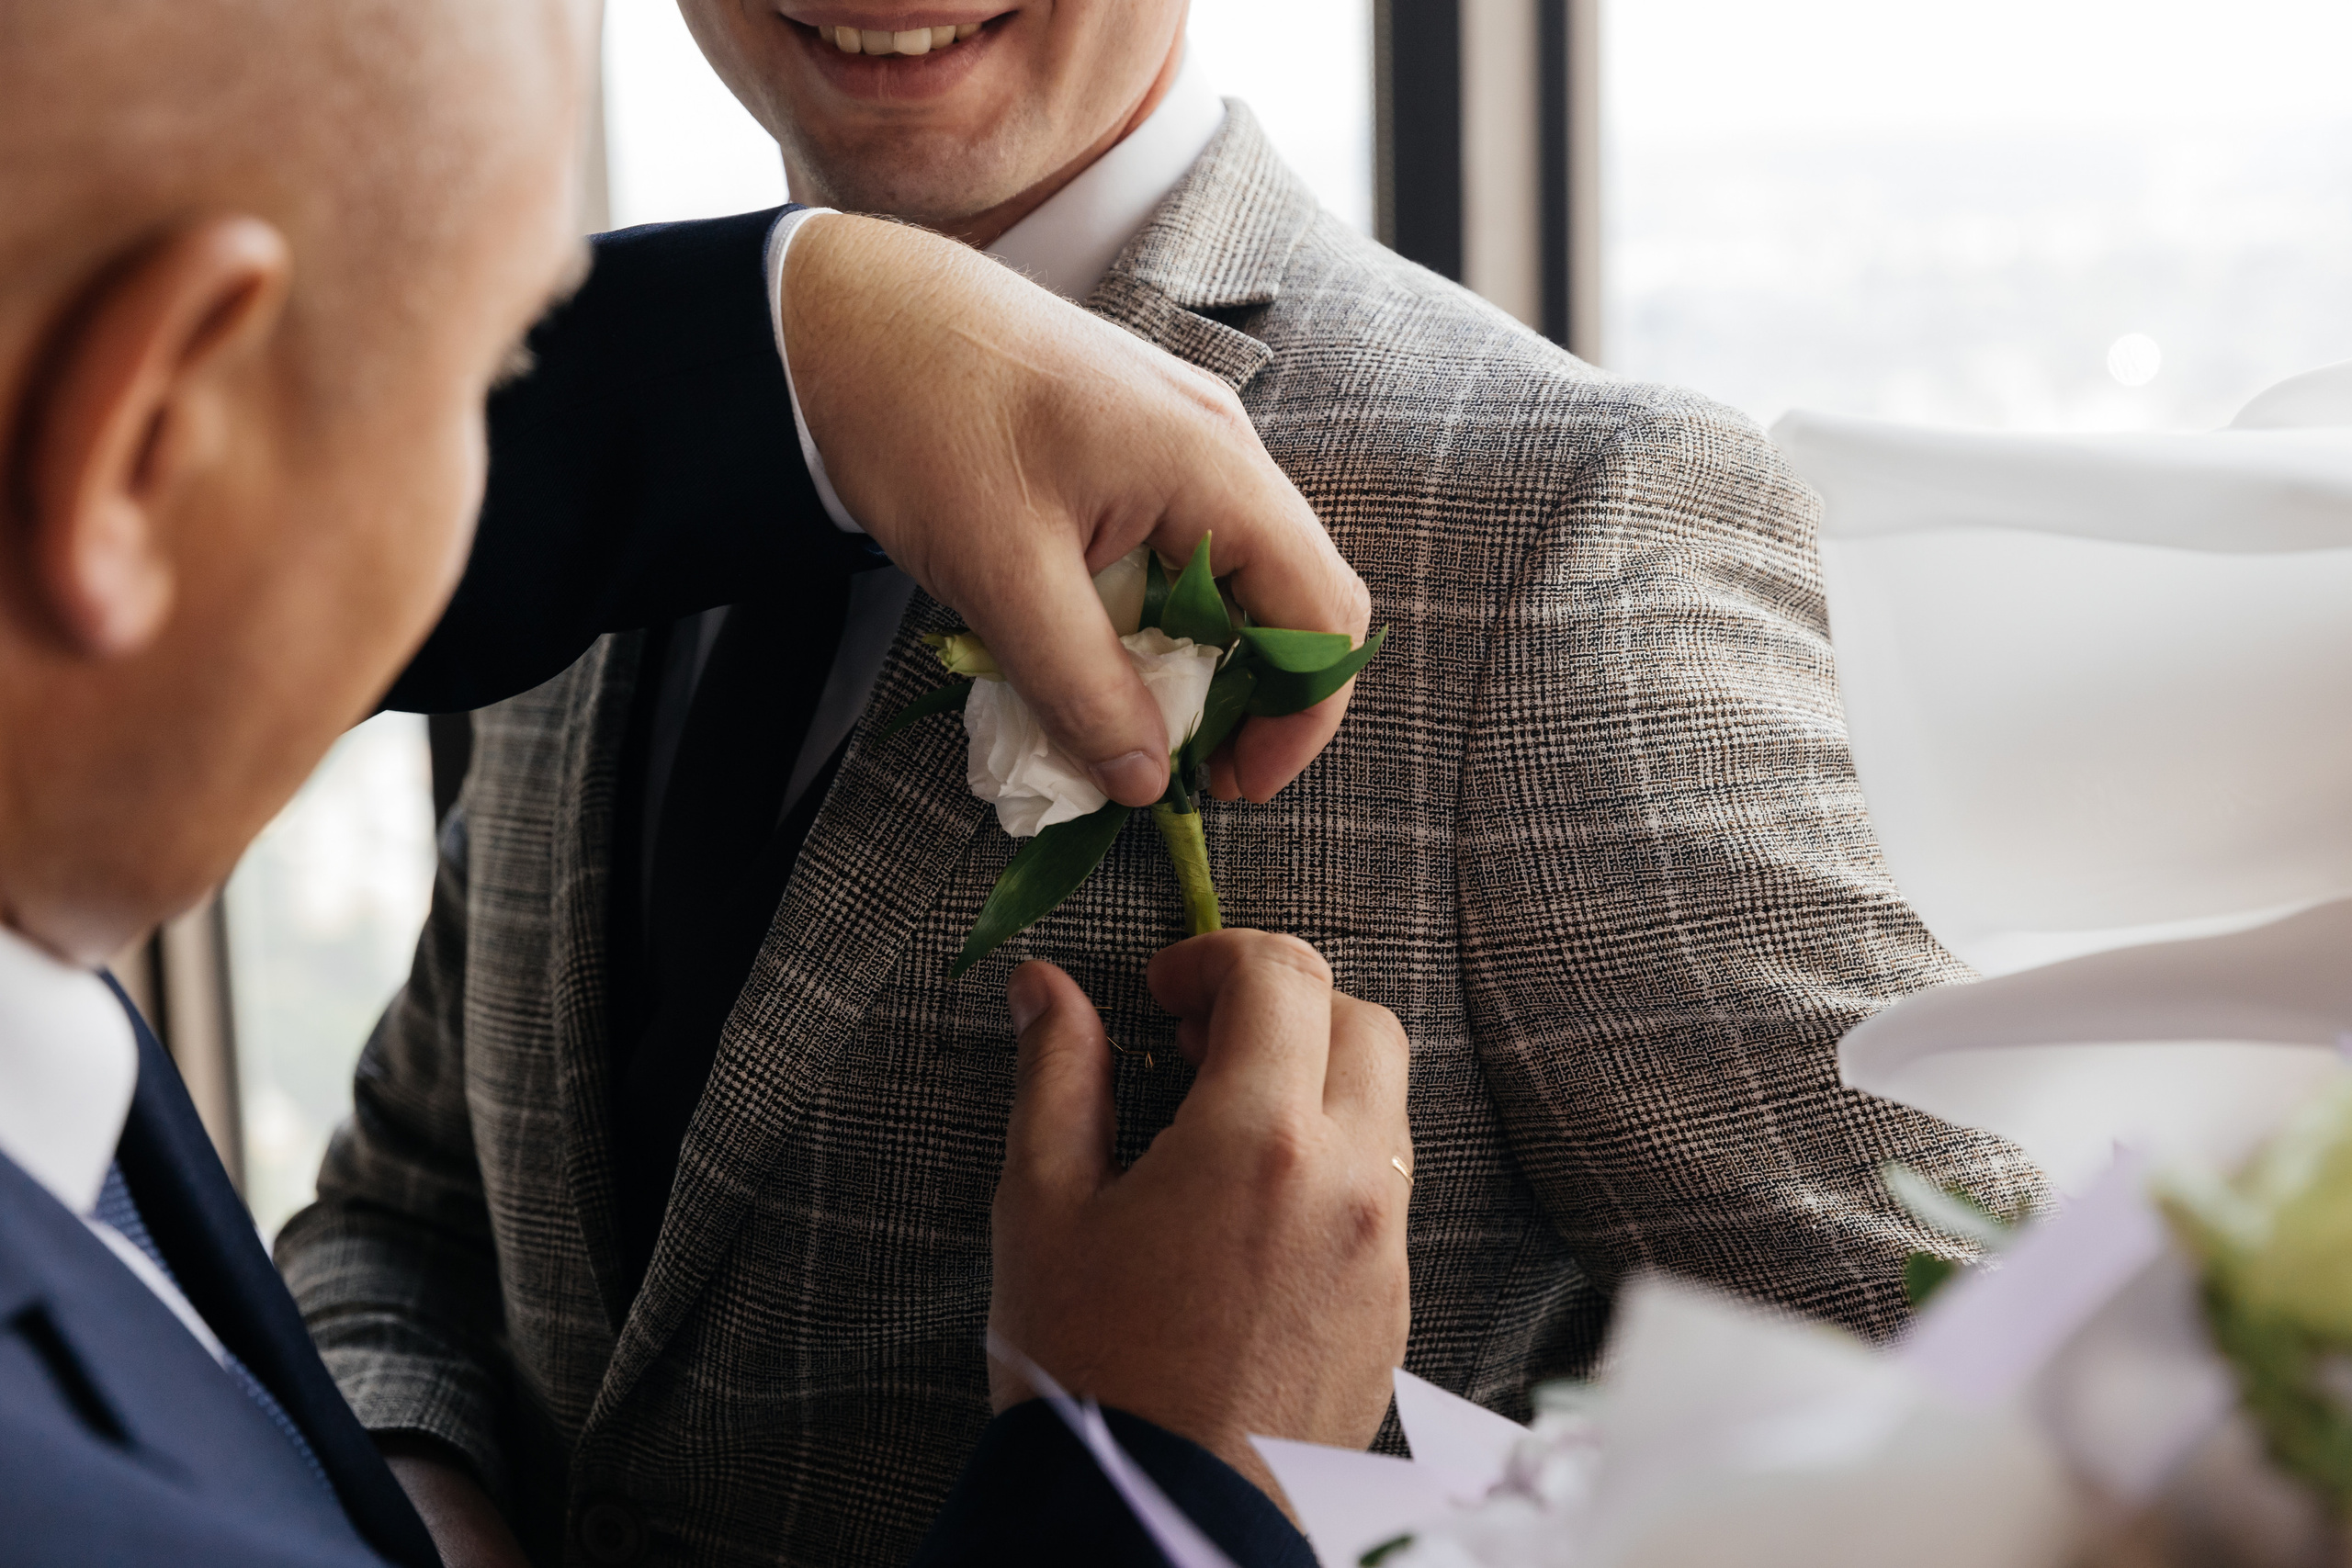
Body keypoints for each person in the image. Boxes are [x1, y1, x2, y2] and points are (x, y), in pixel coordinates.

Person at [281, 3, 2049, 1563]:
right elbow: (408, 1209)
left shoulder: (1555, 524)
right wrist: (405, 1496)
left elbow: (1997, 1410)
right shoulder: (554, 428)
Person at [0, 1, 1408, 1563]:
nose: (531, 460)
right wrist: (1164, 1494)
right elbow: (419, 1199)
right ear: (142, 441)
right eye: (503, 357)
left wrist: (402, 1490)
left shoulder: (1569, 519)